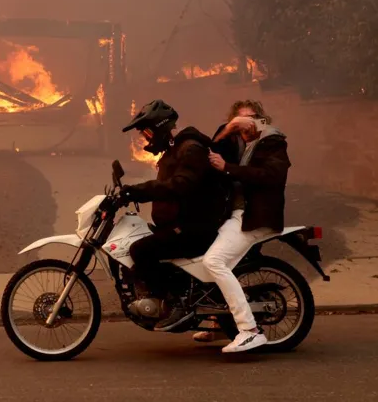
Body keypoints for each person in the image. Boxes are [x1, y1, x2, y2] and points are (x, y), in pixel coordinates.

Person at [121, 99, 228, 331]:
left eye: (148, 131)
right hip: (182, 223)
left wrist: (139, 191)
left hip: (195, 226)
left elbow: (180, 185)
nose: (147, 138)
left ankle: (175, 304)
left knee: (141, 250)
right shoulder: (176, 149)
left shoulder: (190, 149)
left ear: (161, 126)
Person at [199, 101, 291, 353]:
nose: (247, 125)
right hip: (237, 214)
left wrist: (228, 168)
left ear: (262, 120)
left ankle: (249, 331)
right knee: (205, 260)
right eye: (241, 121)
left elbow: (271, 175)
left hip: (255, 217)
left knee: (214, 262)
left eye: (252, 119)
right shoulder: (239, 142)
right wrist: (228, 130)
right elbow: (210, 152)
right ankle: (219, 321)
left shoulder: (273, 142)